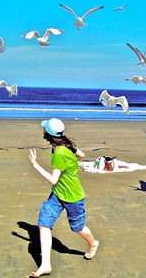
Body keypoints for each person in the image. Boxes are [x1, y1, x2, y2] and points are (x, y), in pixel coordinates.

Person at [27, 118, 99, 277]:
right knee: (44, 223)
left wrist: (35, 164)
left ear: (48, 134)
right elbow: (81, 154)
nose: (43, 130)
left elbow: (53, 179)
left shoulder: (60, 151)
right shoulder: (62, 146)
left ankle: (93, 243)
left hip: (73, 196)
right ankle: (45, 265)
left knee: (77, 227)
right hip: (58, 194)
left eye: (45, 129)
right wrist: (70, 165)